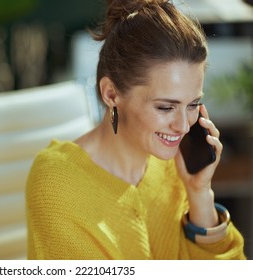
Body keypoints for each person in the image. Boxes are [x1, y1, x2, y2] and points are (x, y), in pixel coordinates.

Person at [26, 0, 246, 259]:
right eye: (165, 107)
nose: (184, 126)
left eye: (193, 104)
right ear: (111, 94)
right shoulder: (58, 184)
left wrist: (199, 194)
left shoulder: (172, 166)